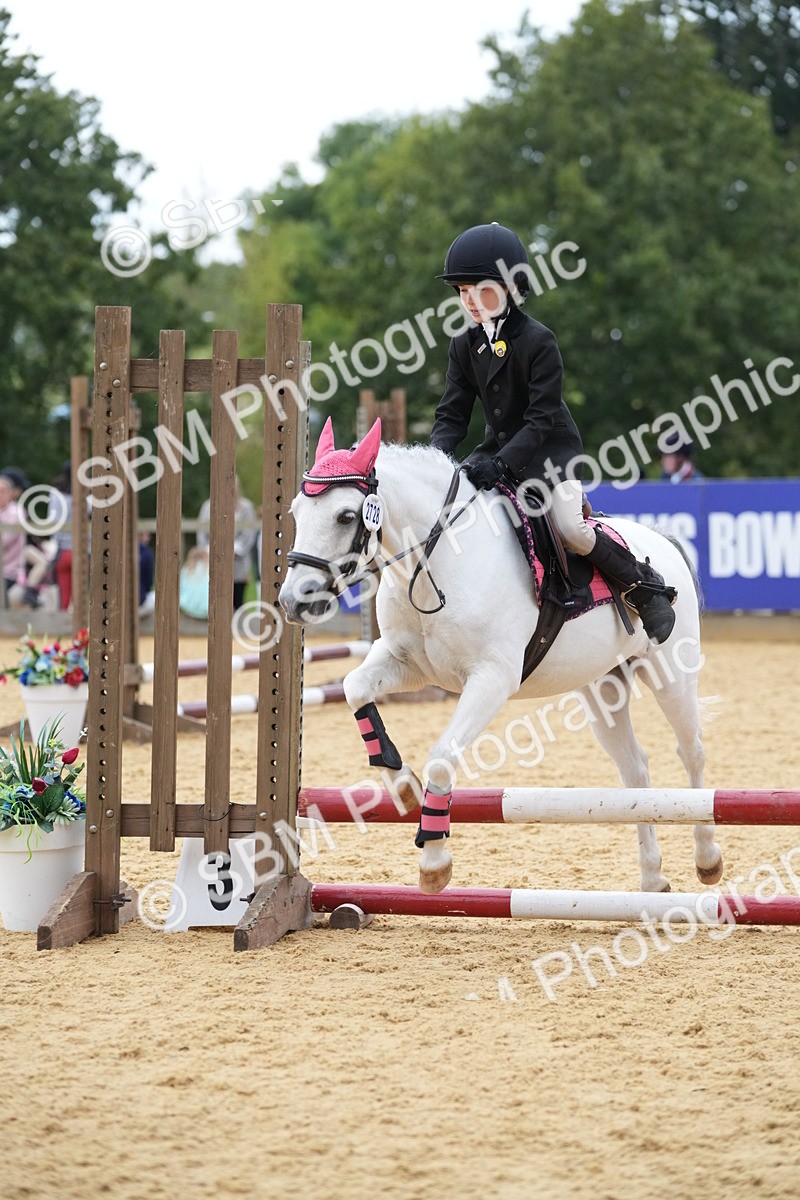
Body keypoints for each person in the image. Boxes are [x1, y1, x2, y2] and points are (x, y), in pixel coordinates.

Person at [429, 222, 677, 643]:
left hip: (549, 452)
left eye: (479, 289)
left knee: (570, 528)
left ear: (510, 286)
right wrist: (434, 462)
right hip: (495, 451)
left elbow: (541, 419)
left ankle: (643, 585)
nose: (469, 300)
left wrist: (501, 463)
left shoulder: (538, 340)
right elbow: (452, 415)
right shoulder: (463, 344)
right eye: (462, 290)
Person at [196, 477, 257, 610]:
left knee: (236, 601)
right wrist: (209, 549)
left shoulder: (246, 507)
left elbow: (249, 533)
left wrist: (232, 548)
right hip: (212, 561)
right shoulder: (208, 506)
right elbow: (201, 531)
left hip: (238, 562)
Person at [0, 473, 26, 603]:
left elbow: (4, 541)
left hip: (9, 572)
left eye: (3, 491)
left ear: (11, 493)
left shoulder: (17, 512)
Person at [179, 545, 210, 620]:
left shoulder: (186, 570)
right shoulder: (210, 570)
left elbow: (181, 589)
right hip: (207, 609)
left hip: (188, 607)